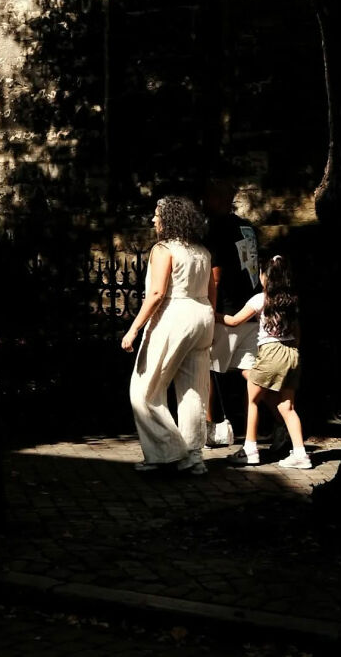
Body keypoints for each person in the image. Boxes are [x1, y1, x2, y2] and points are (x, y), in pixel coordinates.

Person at [121, 196, 216, 475]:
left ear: (169, 219)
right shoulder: (202, 251)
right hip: (203, 315)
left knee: (144, 389)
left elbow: (157, 293)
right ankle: (193, 457)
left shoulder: (163, 249)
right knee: (193, 389)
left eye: (157, 215)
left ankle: (168, 451)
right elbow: (212, 291)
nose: (153, 220)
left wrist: (134, 328)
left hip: (175, 314)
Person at [218, 254, 311, 469]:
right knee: (287, 406)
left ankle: (250, 449)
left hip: (270, 353)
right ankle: (300, 453)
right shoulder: (292, 301)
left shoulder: (260, 299)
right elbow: (297, 333)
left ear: (264, 277)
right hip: (291, 354)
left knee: (252, 401)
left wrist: (214, 314)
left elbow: (234, 321)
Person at [204, 179, 260, 443]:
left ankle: (210, 427)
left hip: (225, 311)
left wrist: (209, 308)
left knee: (209, 370)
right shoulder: (248, 227)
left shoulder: (216, 228)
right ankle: (279, 414)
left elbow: (216, 272)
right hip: (250, 307)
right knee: (248, 371)